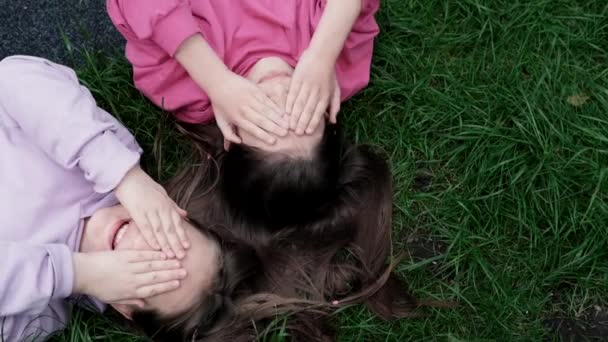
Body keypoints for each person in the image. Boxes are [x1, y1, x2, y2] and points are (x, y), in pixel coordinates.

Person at [0, 56, 229, 341]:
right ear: (176, 210)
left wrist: (74, 274)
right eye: (169, 238)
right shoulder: (110, 156)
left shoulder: (37, 314)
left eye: (152, 271)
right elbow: (12, 76)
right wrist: (124, 176)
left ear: (125, 307)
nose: (140, 241)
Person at [107, 0, 379, 145]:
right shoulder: (336, 66)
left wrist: (216, 81)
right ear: (329, 114)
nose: (280, 94)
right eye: (301, 110)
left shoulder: (186, 90)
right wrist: (323, 54)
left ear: (232, 137)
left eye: (265, 119)